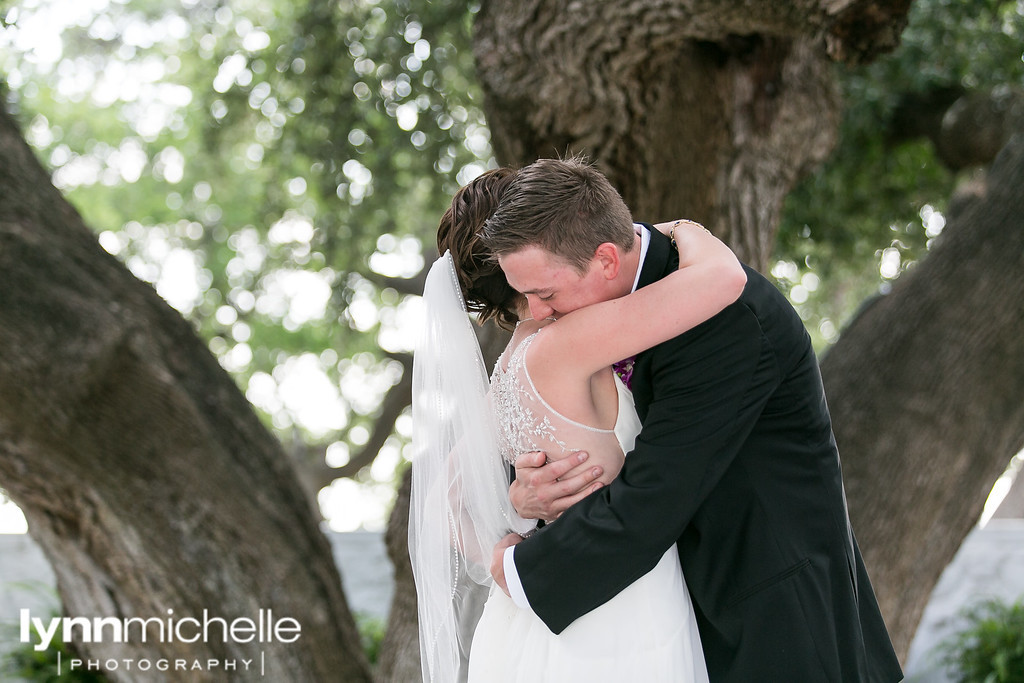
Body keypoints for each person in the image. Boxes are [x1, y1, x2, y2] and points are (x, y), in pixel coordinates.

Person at [481, 157, 905, 682]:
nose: (537, 312)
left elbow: (657, 492)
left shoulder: (726, 321)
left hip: (774, 621)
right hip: (684, 612)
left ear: (607, 259)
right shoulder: (620, 307)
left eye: (544, 293)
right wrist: (524, 494)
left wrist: (520, 571)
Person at [409, 166, 747, 682]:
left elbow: (442, 504)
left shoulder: (509, 368)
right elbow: (723, 279)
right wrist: (683, 230)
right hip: (619, 607)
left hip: (526, 617)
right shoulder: (573, 338)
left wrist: (503, 553)